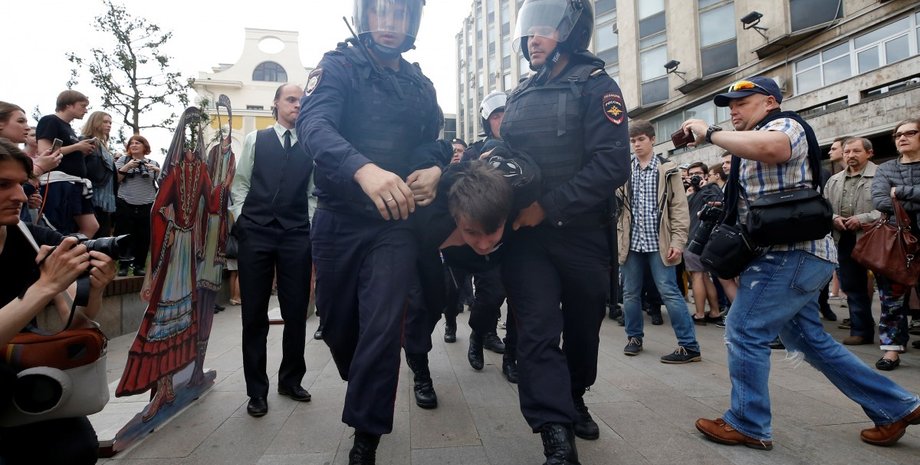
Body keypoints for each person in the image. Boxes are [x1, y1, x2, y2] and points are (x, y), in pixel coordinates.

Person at [681, 76, 920, 450]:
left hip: (789, 253)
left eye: (743, 101)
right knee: (810, 341)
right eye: (730, 105)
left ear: (771, 102)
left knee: (744, 330)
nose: (734, 109)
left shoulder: (785, 124)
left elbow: (773, 148)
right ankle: (897, 407)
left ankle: (748, 422)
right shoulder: (752, 139)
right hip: (794, 254)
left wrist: (710, 132)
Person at [296, 1, 441, 462]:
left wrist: (434, 166)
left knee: (382, 330)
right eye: (382, 13)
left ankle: (365, 439)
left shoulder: (421, 84)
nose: (390, 24)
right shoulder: (337, 66)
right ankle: (362, 381)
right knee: (340, 330)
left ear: (412, 22)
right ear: (365, 16)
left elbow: (434, 137)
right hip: (338, 218)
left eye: (400, 15)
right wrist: (362, 169)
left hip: (393, 223)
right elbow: (313, 124)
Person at [498, 1, 629, 462]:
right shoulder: (518, 94)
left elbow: (611, 165)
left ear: (570, 33)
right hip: (525, 241)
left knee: (582, 332)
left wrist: (548, 207)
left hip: (580, 235)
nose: (532, 39)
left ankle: (575, 396)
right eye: (528, 31)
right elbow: (506, 155)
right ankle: (555, 432)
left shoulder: (598, 88)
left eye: (544, 30)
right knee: (534, 331)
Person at [0, 138, 116, 464]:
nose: (20, 196)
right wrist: (45, 286)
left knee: (77, 448)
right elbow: (47, 289)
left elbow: (78, 320)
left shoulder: (29, 237)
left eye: (22, 185)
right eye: (3, 185)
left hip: (21, 378)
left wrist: (94, 288)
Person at [116, 113, 227, 421]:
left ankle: (170, 386)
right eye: (188, 134)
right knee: (164, 316)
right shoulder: (175, 172)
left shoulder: (202, 170)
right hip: (174, 248)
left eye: (197, 135)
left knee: (180, 316)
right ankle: (162, 386)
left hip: (189, 251)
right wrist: (167, 231)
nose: (192, 142)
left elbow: (214, 206)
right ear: (181, 137)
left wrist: (222, 184)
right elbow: (155, 212)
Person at [230, 83, 313, 417]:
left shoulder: (310, 144)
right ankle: (256, 391)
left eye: (301, 101)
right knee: (253, 315)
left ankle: (290, 380)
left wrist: (307, 226)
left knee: (296, 312)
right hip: (257, 232)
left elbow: (313, 192)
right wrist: (243, 220)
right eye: (291, 99)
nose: (297, 105)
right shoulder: (256, 140)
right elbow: (241, 183)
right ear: (276, 104)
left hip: (296, 234)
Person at [616, 119, 701, 362]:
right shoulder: (624, 170)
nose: (637, 144)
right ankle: (634, 338)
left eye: (641, 139)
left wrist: (678, 241)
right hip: (631, 243)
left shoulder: (668, 168)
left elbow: (679, 208)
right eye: (632, 141)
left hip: (660, 242)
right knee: (630, 293)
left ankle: (689, 346)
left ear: (652, 139)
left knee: (670, 292)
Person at [870, 118, 920, 371]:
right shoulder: (886, 168)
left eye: (910, 132)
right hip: (896, 241)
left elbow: (893, 198)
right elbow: (880, 201)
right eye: (897, 134)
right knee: (891, 297)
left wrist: (900, 192)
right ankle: (892, 350)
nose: (902, 137)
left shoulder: (893, 179)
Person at [823, 137, 880, 346]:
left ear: (869, 153)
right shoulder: (834, 180)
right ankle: (861, 331)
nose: (850, 155)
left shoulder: (880, 175)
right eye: (847, 152)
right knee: (852, 286)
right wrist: (834, 218)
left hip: (877, 237)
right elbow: (824, 207)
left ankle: (893, 336)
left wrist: (862, 219)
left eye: (856, 151)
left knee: (886, 288)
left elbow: (887, 208)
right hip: (845, 238)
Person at [35, 90, 99, 237]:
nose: (86, 110)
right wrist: (77, 147)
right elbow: (45, 151)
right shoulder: (50, 120)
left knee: (91, 226)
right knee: (57, 226)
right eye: (82, 106)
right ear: (69, 105)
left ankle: (71, 253)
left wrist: (81, 151)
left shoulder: (69, 128)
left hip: (76, 183)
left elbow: (65, 152)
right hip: (58, 183)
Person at [114, 135, 160, 277]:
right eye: (131, 143)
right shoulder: (123, 160)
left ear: (145, 147)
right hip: (125, 202)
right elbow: (116, 179)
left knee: (144, 236)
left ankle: (139, 266)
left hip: (147, 203)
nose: (134, 145)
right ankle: (124, 265)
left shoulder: (153, 163)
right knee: (124, 235)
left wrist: (156, 170)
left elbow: (163, 183)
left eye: (138, 143)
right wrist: (128, 166)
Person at [683, 161, 723, 324]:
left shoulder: (710, 189)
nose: (694, 177)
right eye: (691, 174)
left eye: (698, 173)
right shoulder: (691, 193)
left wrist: (705, 187)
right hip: (695, 238)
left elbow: (718, 203)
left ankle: (699, 314)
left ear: (706, 175)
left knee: (697, 277)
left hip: (697, 239)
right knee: (704, 277)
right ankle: (714, 312)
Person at [81, 112, 116, 237]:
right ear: (95, 122)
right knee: (94, 235)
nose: (109, 125)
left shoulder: (103, 145)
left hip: (105, 196)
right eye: (105, 122)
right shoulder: (86, 141)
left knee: (103, 235)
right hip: (91, 193)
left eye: (110, 123)